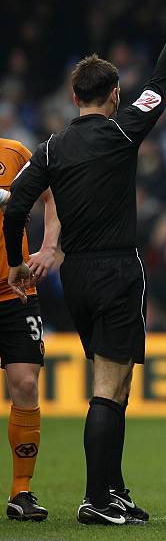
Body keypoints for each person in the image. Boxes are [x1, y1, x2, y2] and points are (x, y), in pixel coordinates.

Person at [3, 0, 166, 526]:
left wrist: (18, 261)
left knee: (115, 382)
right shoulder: (123, 130)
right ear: (114, 95)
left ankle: (112, 491)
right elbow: (164, 78)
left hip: (78, 278)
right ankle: (95, 500)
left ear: (73, 97)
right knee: (110, 387)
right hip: (118, 269)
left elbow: (15, 206)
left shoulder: (49, 147)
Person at [0, 139, 60, 521]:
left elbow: (52, 197)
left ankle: (21, 491)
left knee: (25, 385)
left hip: (15, 291)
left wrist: (49, 247)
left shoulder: (15, 153)